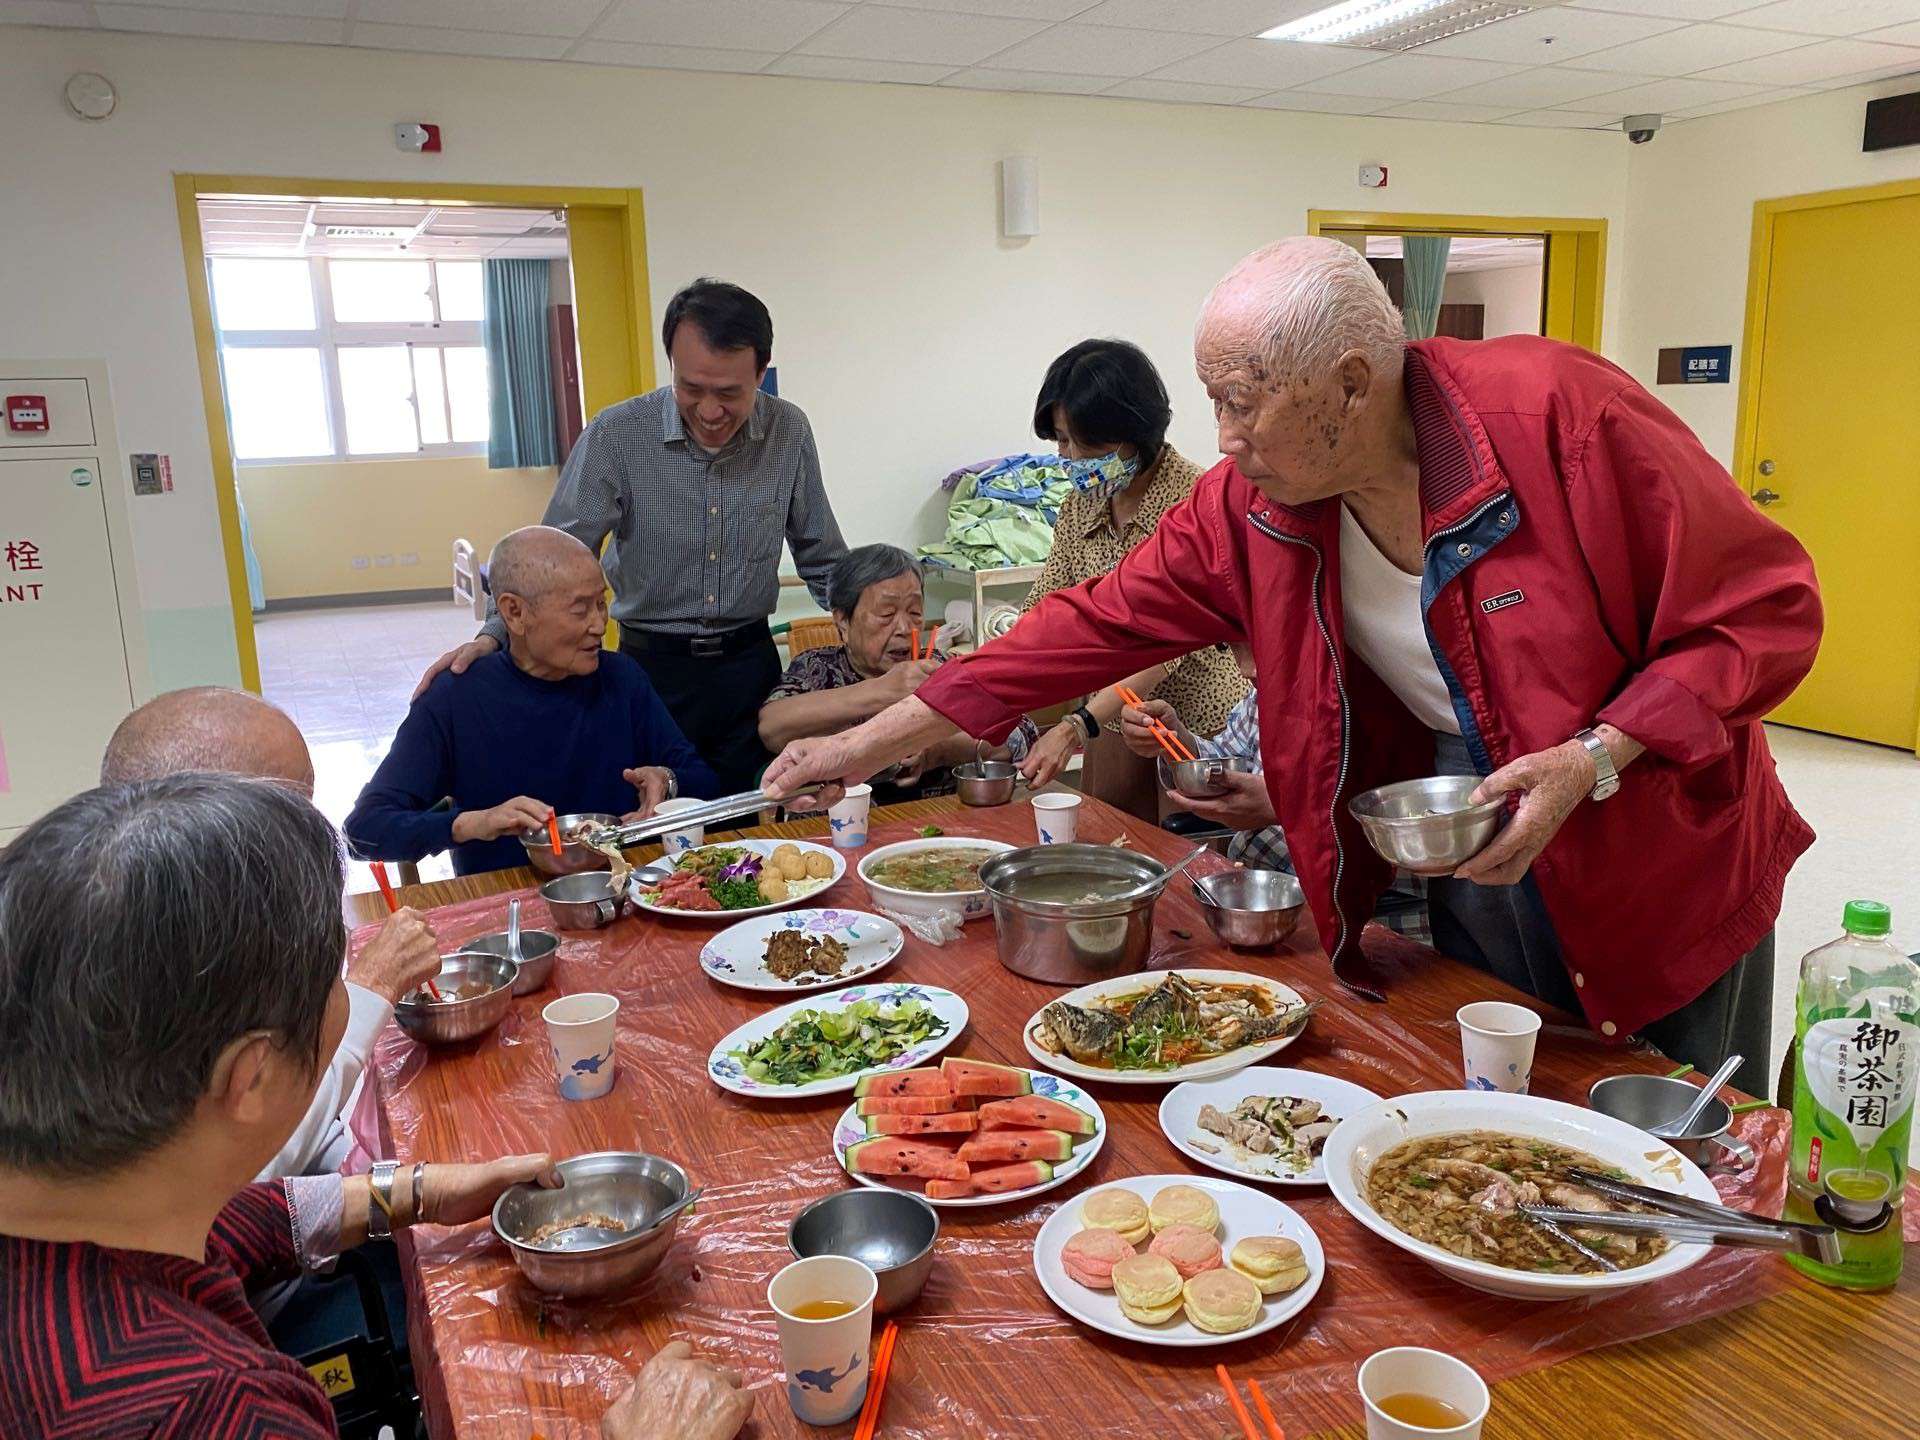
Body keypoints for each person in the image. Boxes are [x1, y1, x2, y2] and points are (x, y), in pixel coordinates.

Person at [764, 237, 1821, 1098]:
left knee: (1678, 1137)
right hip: (1475, 838)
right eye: (1210, 401)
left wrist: (1593, 759)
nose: (1223, 440)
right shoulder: (1255, 510)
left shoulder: (1561, 419)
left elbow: (1766, 613)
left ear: (1353, 384)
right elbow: (1080, 627)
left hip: (1659, 851)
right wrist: (856, 742)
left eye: (1243, 402)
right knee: (1518, 1114)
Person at [0, 774, 751, 1440]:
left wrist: (413, 1190)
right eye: (336, 973)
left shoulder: (100, 1203)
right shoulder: (212, 1407)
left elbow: (233, 1222)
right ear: (251, 1078)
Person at [416, 279, 847, 791]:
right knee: (650, 824)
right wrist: (495, 634)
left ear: (761, 369)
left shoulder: (788, 432)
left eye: (730, 393)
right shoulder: (619, 435)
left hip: (748, 668)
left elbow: (822, 556)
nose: (710, 412)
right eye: (692, 389)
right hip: (648, 671)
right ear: (671, 365)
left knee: (747, 820)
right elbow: (551, 552)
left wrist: (872, 618)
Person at [101, 686, 442, 1185]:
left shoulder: (219, 907)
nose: (303, 836)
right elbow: (243, 1170)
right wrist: (373, 985)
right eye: (290, 811)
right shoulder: (125, 969)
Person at [348, 527, 722, 876]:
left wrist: (668, 781)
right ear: (514, 612)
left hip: (617, 890)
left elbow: (705, 781)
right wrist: (471, 823)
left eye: (601, 604)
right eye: (580, 610)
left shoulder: (621, 678)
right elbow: (363, 832)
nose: (598, 624)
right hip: (506, 906)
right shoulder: (456, 696)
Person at [1014, 339, 1249, 821]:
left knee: (1189, 862)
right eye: (1061, 440)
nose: (1072, 457)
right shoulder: (1081, 503)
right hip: (1110, 724)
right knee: (1109, 850)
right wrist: (993, 676)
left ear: (1134, 432)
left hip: (1197, 728)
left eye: (1087, 444)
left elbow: (1168, 648)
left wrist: (1076, 726)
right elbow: (1048, 607)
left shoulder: (1196, 500)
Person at [1121, 648, 1429, 943]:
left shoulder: (1369, 697)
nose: (1245, 670)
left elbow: (1406, 818)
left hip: (1354, 920)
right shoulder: (1262, 698)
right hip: (1258, 902)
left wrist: (1284, 806)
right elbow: (1223, 759)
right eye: (1230, 647)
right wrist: (1175, 739)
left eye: (1258, 643)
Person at [757, 545, 1036, 804]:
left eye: (915, 612)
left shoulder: (937, 667)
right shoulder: (816, 667)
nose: (905, 627)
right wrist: (881, 691)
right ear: (843, 620)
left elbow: (1021, 734)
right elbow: (771, 728)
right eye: (886, 614)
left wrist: (936, 749)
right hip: (834, 830)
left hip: (937, 826)